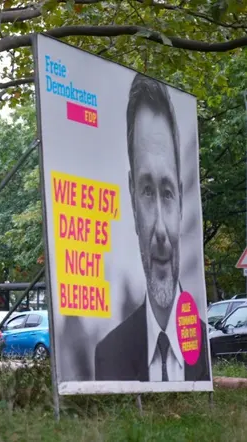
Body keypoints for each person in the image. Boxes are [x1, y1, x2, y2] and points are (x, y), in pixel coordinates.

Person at [94, 74, 209, 382]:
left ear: (182, 201)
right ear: (132, 198)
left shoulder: (205, 348)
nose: (160, 229)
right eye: (147, 191)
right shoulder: (107, 356)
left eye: (167, 192)